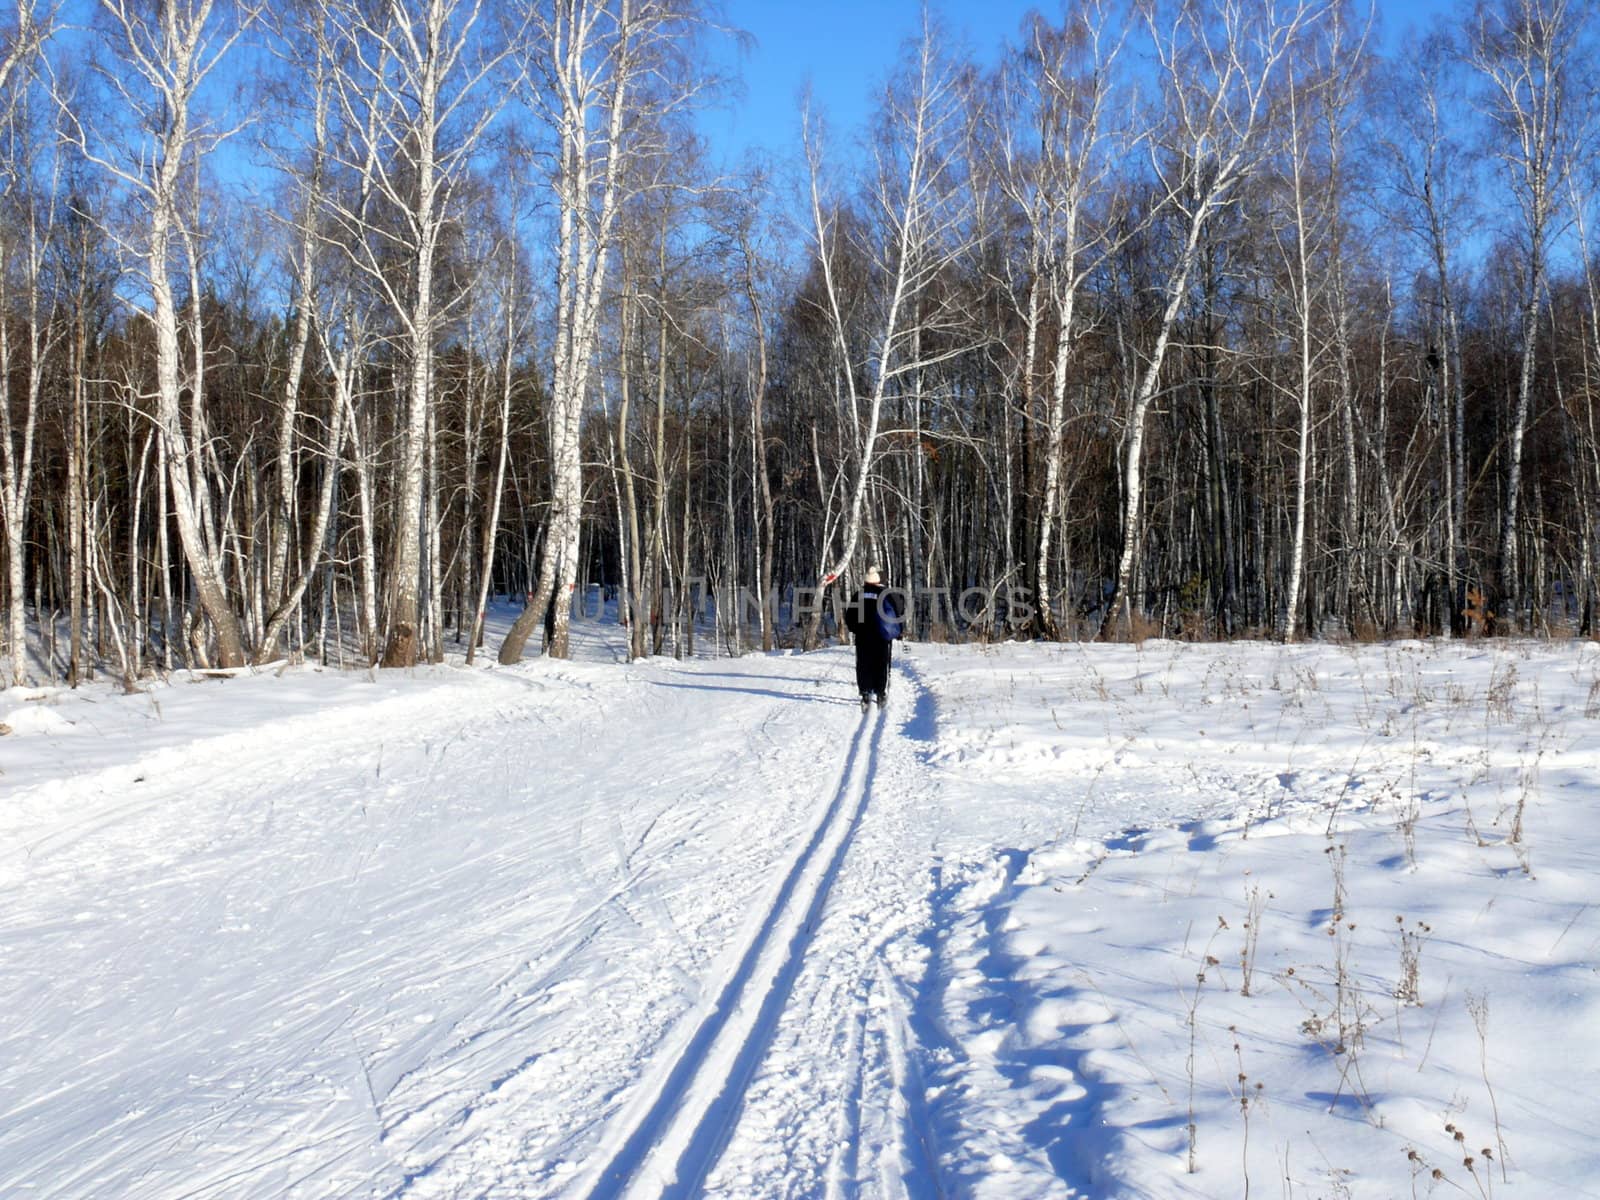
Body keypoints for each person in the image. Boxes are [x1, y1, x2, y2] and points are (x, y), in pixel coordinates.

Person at [843, 565, 901, 711]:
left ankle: (865, 693)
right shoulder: (886, 594)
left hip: (863, 636)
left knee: (863, 664)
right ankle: (880, 693)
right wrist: (897, 632)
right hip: (881, 636)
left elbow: (849, 616)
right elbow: (897, 614)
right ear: (877, 581)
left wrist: (855, 629)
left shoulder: (859, 595)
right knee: (881, 663)